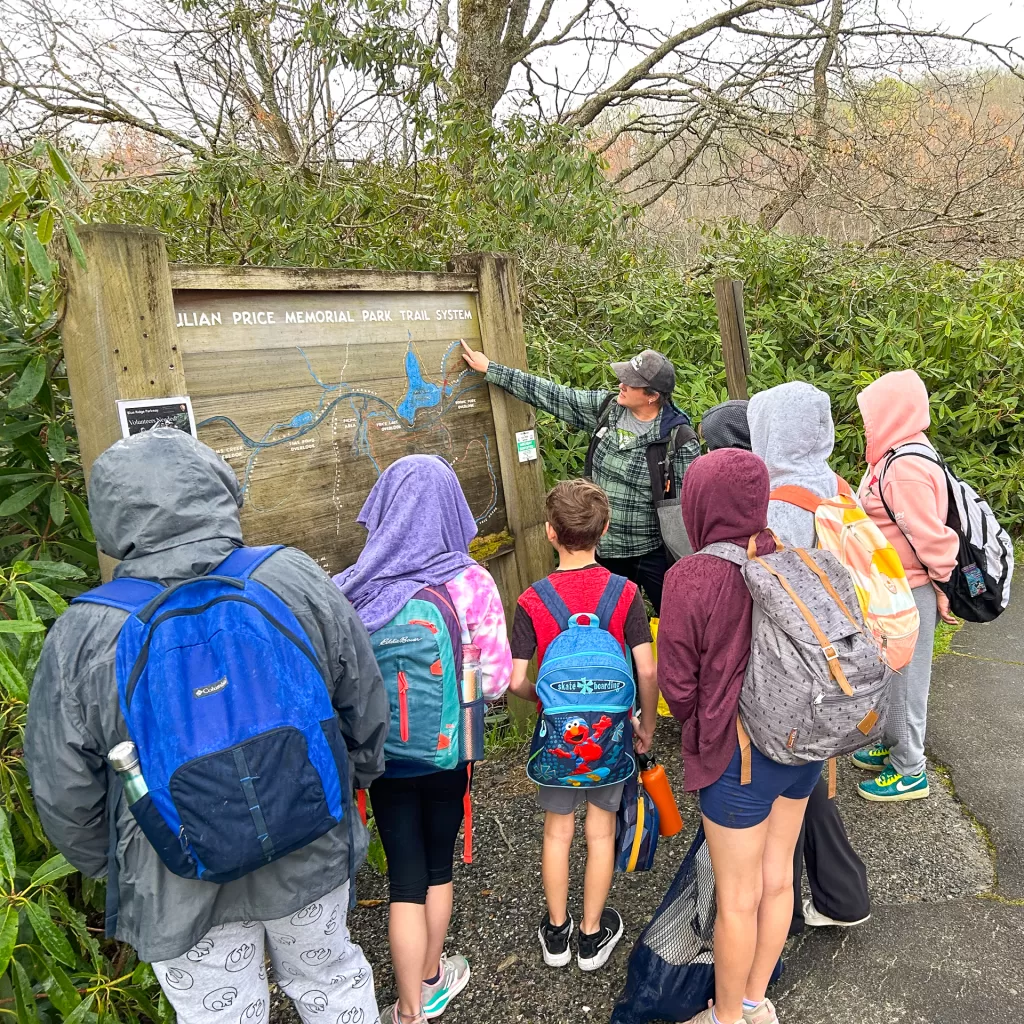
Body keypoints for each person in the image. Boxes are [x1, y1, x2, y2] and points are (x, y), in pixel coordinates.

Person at [25, 429, 388, 1024]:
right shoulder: (290, 577)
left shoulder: (84, 634)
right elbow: (362, 694)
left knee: (221, 1015)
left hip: (172, 873)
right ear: (217, 486)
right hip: (308, 838)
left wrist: (124, 854)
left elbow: (63, 785)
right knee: (330, 983)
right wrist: (358, 777)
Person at [336, 454, 512, 1024]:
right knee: (439, 867)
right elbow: (498, 679)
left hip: (384, 757)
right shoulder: (471, 581)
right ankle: (434, 977)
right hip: (448, 751)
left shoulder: (359, 583)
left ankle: (408, 1011)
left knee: (404, 877)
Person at [658, 448, 822, 1024]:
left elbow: (678, 686)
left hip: (738, 760)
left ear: (700, 504)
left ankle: (726, 1017)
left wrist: (699, 727)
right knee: (778, 879)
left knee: (736, 897)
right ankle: (755, 1000)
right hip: (801, 747)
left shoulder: (691, 576)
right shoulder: (792, 560)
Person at [508, 479, 658, 973]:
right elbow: (647, 669)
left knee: (557, 833)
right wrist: (647, 724)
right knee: (600, 832)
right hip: (612, 738)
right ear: (606, 530)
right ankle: (592, 937)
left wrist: (543, 702)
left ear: (550, 532)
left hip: (557, 738)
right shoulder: (625, 593)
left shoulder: (533, 600)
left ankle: (556, 933)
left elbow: (514, 679)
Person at [745, 383, 871, 932]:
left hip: (800, 670)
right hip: (849, 657)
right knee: (810, 777)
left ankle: (798, 905)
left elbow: (767, 591)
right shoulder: (839, 487)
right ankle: (835, 896)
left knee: (787, 786)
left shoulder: (778, 504)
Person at [461, 342, 699, 613]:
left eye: (630, 383)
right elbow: (556, 395)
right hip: (603, 551)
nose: (621, 384)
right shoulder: (609, 410)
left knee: (676, 622)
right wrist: (493, 370)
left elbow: (689, 508)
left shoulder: (677, 440)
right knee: (611, 629)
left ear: (652, 395)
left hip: (653, 552)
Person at [851, 369, 959, 802]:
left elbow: (930, 538)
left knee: (908, 682)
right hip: (895, 587)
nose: (866, 423)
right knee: (892, 677)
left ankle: (910, 770)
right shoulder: (897, 454)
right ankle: (894, 747)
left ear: (893, 410)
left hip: (909, 590)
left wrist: (944, 583)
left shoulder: (906, 467)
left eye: (871, 413)